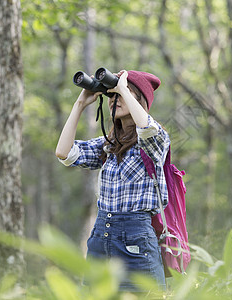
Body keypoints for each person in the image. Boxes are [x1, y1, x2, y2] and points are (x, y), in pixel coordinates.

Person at [55, 69, 169, 291]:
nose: (114, 100)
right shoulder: (109, 143)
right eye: (111, 95)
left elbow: (146, 127)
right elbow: (64, 153)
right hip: (101, 235)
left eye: (123, 95)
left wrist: (122, 88)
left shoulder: (155, 141)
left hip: (135, 237)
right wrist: (79, 105)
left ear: (139, 101)